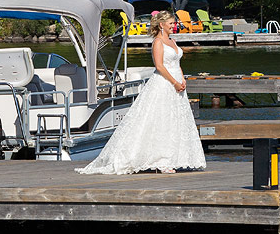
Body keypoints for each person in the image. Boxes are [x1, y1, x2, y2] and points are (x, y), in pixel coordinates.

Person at [76, 10, 207, 175]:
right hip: (164, 83)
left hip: (177, 84)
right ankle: (161, 160)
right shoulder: (158, 42)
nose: (174, 26)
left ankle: (176, 157)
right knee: (161, 120)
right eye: (171, 24)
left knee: (175, 119)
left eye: (174, 23)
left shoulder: (173, 41)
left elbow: (176, 63)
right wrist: (174, 82)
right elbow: (159, 66)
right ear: (162, 25)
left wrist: (182, 80)